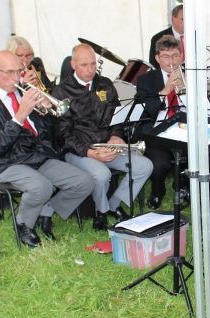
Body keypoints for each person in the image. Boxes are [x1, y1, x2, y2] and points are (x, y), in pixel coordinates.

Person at [0, 50, 94, 247]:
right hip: (7, 162)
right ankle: (23, 224)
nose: (15, 78)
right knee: (42, 187)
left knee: (85, 182)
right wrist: (20, 115)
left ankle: (45, 213)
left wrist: (46, 112)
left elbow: (49, 134)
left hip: (37, 156)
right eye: (9, 72)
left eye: (18, 72)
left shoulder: (23, 93)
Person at [52, 43, 153, 230]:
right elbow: (62, 135)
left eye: (93, 64)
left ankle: (114, 205)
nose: (90, 70)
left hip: (108, 146)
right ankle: (101, 212)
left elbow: (118, 118)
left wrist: (116, 136)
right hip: (79, 152)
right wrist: (89, 152)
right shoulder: (61, 92)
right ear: (73, 64)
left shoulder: (105, 84)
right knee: (101, 174)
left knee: (144, 166)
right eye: (84, 65)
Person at [136, 35, 185, 209]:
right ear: (157, 58)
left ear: (181, 56)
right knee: (159, 164)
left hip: (183, 128)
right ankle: (158, 191)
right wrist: (165, 91)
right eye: (166, 56)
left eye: (175, 56)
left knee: (202, 156)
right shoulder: (145, 80)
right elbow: (144, 111)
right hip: (157, 130)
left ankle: (185, 188)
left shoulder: (190, 77)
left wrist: (184, 92)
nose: (171, 61)